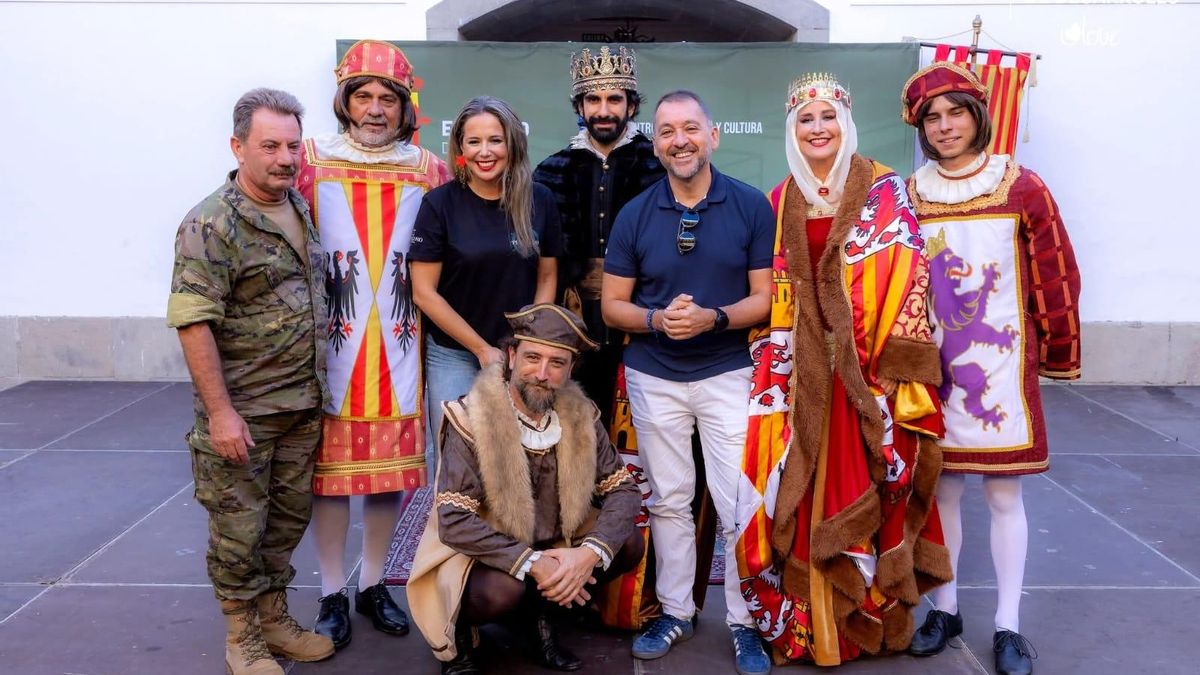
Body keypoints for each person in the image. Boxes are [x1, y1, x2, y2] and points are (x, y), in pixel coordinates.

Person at [734, 72, 952, 668]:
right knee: (797, 492)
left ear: (845, 123)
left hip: (869, 372)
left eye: (828, 117)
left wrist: (891, 367)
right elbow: (768, 288)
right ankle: (811, 629)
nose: (817, 129)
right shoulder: (778, 202)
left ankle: (870, 618)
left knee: (872, 482)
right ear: (792, 130)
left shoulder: (883, 189)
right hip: (801, 376)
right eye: (805, 120)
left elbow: (910, 275)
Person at [901, 62, 1081, 675]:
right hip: (934, 371)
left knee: (1004, 494)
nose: (945, 126)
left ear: (977, 115)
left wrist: (1058, 348)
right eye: (933, 117)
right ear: (921, 127)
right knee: (941, 491)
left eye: (955, 113)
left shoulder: (1021, 186)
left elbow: (1055, 269)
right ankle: (944, 608)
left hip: (1002, 367)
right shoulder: (911, 194)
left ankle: (1008, 625)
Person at [600, 90, 774, 675]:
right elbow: (612, 306)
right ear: (656, 143)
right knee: (670, 499)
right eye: (668, 130)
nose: (680, 140)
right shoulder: (636, 213)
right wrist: (657, 320)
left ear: (713, 135)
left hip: (728, 371)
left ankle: (745, 620)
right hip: (655, 377)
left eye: (691, 128)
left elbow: (765, 298)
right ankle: (676, 610)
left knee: (737, 502)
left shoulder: (750, 205)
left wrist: (713, 318)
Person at [167, 88, 334, 675]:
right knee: (239, 530)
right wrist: (220, 412)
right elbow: (193, 322)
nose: (285, 158)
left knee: (285, 522)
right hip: (245, 411)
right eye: (270, 146)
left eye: (292, 145)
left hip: (300, 405)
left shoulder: (298, 207)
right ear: (238, 147)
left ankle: (273, 618)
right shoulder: (211, 223)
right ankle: (242, 637)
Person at [294, 39, 451, 650]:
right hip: (327, 349)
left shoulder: (430, 169)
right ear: (345, 102)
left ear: (404, 107)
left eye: (388, 98)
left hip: (402, 346)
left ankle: (374, 583)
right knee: (327, 476)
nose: (376, 109)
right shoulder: (309, 161)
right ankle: (332, 589)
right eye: (364, 96)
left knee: (387, 476)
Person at [406, 303, 643, 674]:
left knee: (627, 543)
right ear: (511, 356)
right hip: (481, 554)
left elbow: (624, 490)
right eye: (532, 357)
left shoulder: (582, 417)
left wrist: (588, 555)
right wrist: (535, 563)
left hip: (553, 542)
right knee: (503, 591)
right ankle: (464, 634)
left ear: (570, 369)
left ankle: (542, 616)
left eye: (557, 363)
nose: (542, 373)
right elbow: (453, 521)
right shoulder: (470, 418)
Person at [410, 95, 561, 471]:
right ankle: (454, 530)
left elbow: (547, 275)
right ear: (460, 146)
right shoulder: (439, 205)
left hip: (521, 354)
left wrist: (530, 340)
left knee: (523, 460)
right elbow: (424, 293)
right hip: (455, 353)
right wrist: (480, 349)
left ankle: (516, 531)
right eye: (474, 141)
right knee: (456, 462)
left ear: (513, 142)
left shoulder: (539, 200)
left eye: (495, 140)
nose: (485, 152)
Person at [533, 46, 664, 422]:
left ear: (632, 106)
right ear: (579, 107)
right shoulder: (551, 170)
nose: (603, 110)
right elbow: (538, 256)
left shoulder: (659, 166)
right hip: (573, 324)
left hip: (644, 323)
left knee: (643, 432)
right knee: (575, 428)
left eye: (614, 99)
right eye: (593, 99)